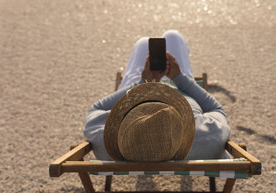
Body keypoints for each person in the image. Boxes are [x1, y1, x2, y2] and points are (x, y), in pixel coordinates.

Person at [83, 30, 230, 161]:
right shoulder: (205, 136)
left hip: (136, 94)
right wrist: (179, 78)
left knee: (142, 43)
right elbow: (216, 109)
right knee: (173, 35)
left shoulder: (106, 141)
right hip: (179, 87)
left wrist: (141, 83)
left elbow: (94, 110)